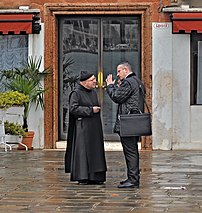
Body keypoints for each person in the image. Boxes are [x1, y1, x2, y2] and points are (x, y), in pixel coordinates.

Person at [65, 70, 107, 185]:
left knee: (96, 151)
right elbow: (73, 109)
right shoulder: (76, 93)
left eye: (94, 80)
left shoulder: (93, 92)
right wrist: (90, 110)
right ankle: (83, 176)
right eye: (92, 80)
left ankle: (96, 177)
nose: (95, 82)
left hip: (94, 127)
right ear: (84, 82)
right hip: (83, 128)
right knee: (84, 152)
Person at [106, 61, 141, 189]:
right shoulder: (137, 81)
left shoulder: (129, 82)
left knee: (130, 151)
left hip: (128, 122)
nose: (117, 74)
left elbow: (117, 97)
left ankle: (133, 180)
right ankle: (132, 178)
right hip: (134, 121)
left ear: (126, 70)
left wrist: (110, 86)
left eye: (119, 71)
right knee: (132, 150)